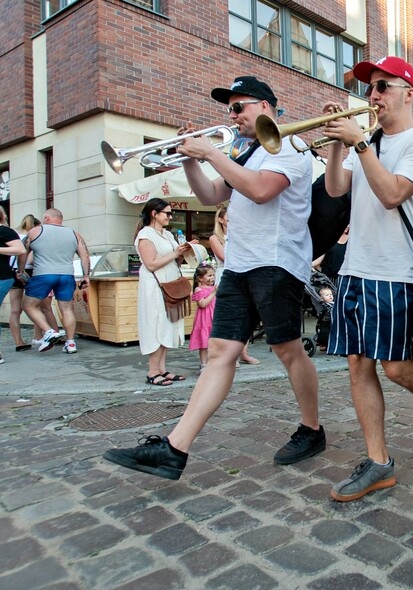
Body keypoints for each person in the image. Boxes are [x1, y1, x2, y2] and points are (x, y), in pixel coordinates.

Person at [104, 75, 324, 480]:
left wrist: (210, 152)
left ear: (265, 107)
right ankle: (175, 448)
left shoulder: (290, 145)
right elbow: (209, 195)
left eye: (239, 108)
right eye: (229, 110)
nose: (232, 116)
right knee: (221, 351)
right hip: (239, 264)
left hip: (276, 262)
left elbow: (260, 190)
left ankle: (312, 428)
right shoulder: (243, 151)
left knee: (288, 349)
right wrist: (189, 158)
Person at [321, 55, 413, 501]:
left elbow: (390, 195)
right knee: (357, 364)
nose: (374, 96)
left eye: (383, 86)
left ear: (410, 92)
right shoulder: (369, 142)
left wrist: (359, 145)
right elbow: (333, 189)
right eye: (371, 88)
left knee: (397, 367)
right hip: (354, 268)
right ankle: (379, 462)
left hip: (393, 273)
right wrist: (336, 146)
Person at [128, 199, 195, 385]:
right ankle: (152, 371)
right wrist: (175, 253)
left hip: (169, 282)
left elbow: (174, 261)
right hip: (155, 286)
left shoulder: (167, 234)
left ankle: (162, 369)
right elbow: (151, 264)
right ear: (154, 214)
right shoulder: (145, 235)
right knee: (156, 324)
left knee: (168, 325)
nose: (170, 216)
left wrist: (182, 253)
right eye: (167, 213)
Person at [16, 208, 91, 354]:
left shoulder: (36, 231)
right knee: (67, 309)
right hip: (66, 275)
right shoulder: (74, 234)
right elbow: (85, 256)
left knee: (28, 305)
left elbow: (23, 252)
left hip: (43, 275)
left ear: (47, 218)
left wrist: (21, 270)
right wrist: (86, 276)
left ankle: (49, 331)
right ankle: (70, 343)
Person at [207, 204, 259, 366]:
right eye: (229, 219)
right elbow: (224, 257)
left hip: (242, 273)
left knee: (244, 313)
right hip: (225, 275)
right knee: (229, 317)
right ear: (221, 220)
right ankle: (230, 355)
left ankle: (244, 353)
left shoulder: (240, 235)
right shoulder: (215, 238)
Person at [9, 214, 61, 352]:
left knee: (15, 310)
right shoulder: (35, 236)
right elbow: (30, 258)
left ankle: (19, 342)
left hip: (14, 272)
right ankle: (47, 334)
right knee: (41, 306)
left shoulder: (14, 235)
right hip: (31, 273)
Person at [1, 209, 28, 364]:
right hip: (12, 275)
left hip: (5, 276)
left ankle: (17, 343)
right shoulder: (7, 231)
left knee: (16, 309)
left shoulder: (6, 231)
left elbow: (21, 251)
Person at [189, 263, 217, 373]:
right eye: (209, 276)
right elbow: (203, 304)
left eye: (213, 275)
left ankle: (213, 363)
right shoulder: (198, 289)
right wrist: (214, 293)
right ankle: (203, 364)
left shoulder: (212, 288)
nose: (212, 278)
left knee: (213, 341)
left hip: (213, 316)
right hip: (204, 319)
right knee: (204, 341)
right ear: (200, 278)